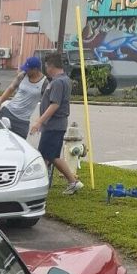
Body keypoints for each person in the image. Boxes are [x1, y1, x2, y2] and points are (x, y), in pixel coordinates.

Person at [29, 51, 83, 195]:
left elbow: (55, 105)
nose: (46, 70)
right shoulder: (62, 80)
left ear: (50, 66)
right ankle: (44, 183)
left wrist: (39, 122)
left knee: (47, 156)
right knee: (49, 156)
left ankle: (72, 182)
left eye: (46, 66)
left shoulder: (58, 82)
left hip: (54, 125)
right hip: (55, 125)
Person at [0, 56, 45, 138]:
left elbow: (46, 104)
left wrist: (39, 121)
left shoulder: (44, 83)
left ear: (35, 69)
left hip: (23, 122)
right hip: (8, 113)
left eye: (28, 69)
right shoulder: (22, 75)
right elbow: (11, 88)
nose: (25, 70)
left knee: (19, 146)